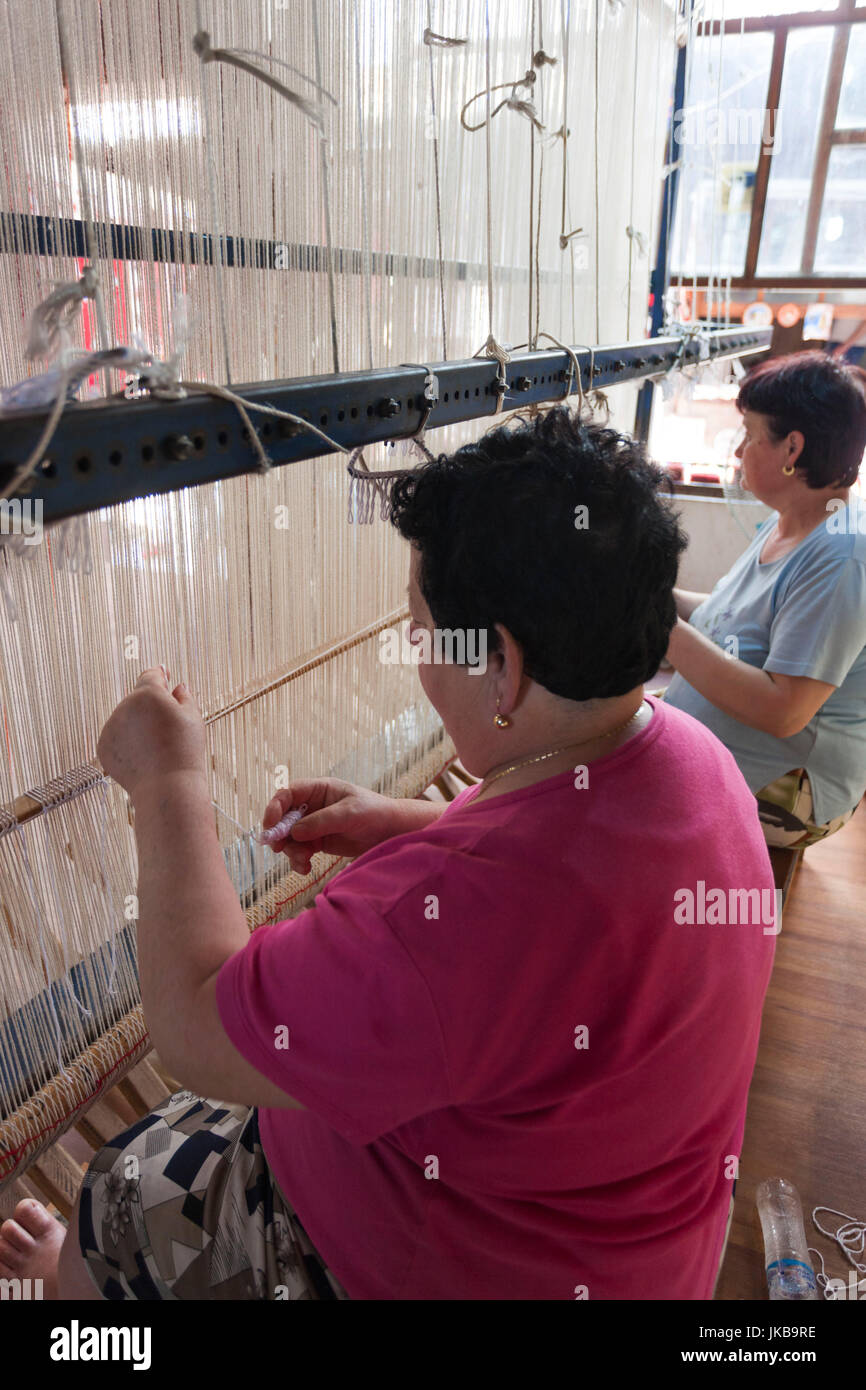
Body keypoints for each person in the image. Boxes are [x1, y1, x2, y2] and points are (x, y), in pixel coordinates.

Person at [0, 409, 775, 1301]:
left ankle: (79, 1289)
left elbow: (196, 1025)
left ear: (501, 667)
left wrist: (167, 781)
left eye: (420, 627)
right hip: (617, 1240)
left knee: (120, 1194)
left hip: (447, 1265)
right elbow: (571, 891)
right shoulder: (691, 762)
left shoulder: (448, 928)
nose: (413, 651)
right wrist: (417, 824)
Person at [664, 351, 866, 847]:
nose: (738, 453)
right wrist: (650, 593)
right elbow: (726, 617)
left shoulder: (842, 553)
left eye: (750, 436)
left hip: (787, 796)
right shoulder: (795, 520)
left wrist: (655, 627)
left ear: (791, 449)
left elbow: (784, 711)